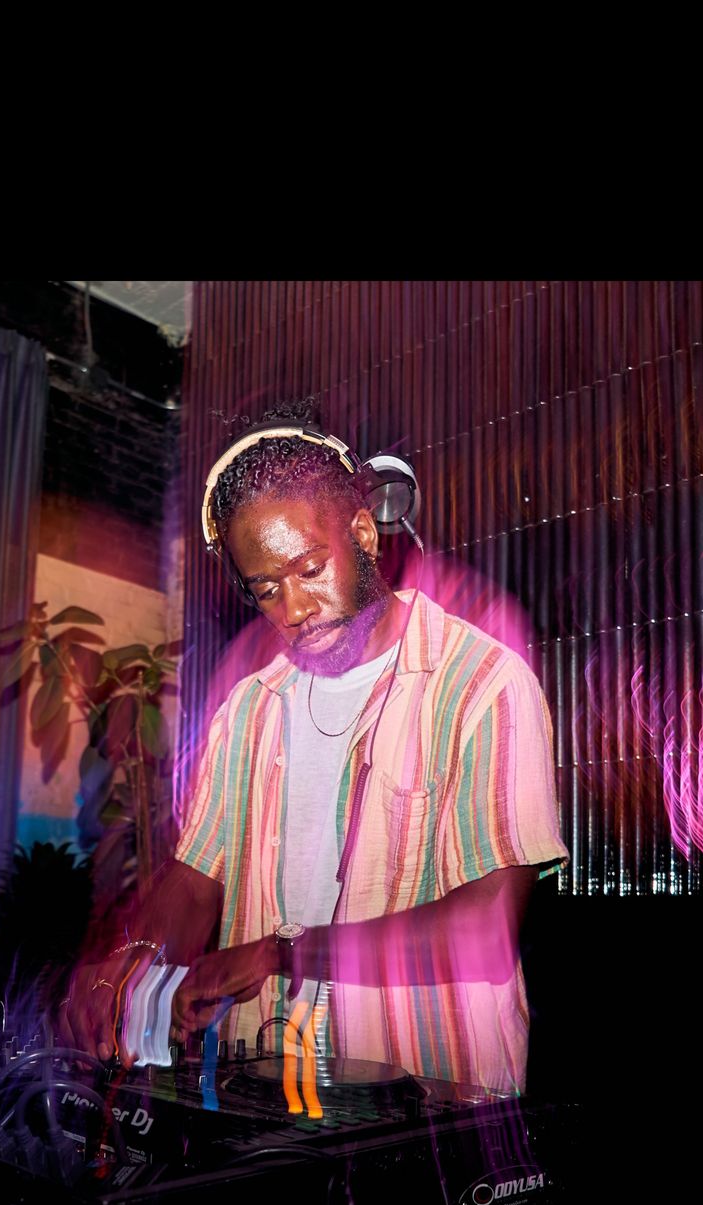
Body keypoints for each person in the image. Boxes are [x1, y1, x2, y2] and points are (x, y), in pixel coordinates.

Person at [55, 422, 566, 1093]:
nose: (292, 608)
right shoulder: (249, 708)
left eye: (309, 569)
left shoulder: (481, 684)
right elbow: (195, 878)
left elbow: (484, 926)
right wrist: (132, 960)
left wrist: (282, 954)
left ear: (363, 533)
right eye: (266, 588)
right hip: (265, 1098)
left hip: (428, 1109)